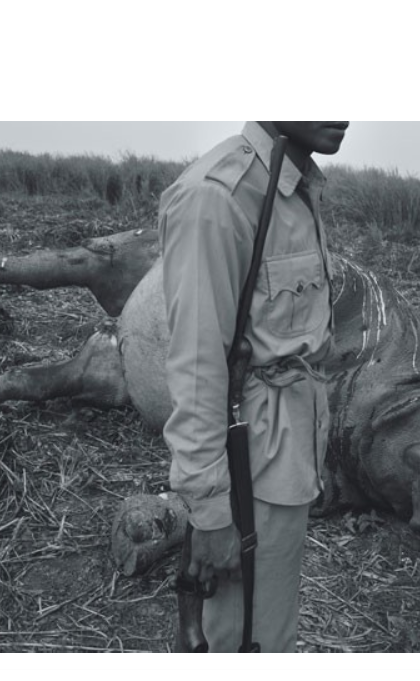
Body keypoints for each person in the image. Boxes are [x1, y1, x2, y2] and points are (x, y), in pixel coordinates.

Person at [158, 121, 349, 653]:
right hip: (250, 466)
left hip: (285, 457)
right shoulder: (216, 198)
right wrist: (212, 515)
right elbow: (197, 372)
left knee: (270, 634)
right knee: (239, 644)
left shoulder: (292, 185)